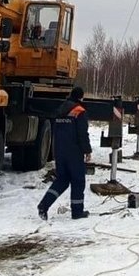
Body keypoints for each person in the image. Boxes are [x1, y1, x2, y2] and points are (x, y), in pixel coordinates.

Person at [37, 86, 92, 221]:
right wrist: (87, 150)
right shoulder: (79, 111)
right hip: (74, 151)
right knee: (78, 181)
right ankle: (77, 212)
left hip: (59, 151)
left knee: (62, 180)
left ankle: (44, 205)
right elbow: (82, 134)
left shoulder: (60, 110)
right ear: (80, 97)